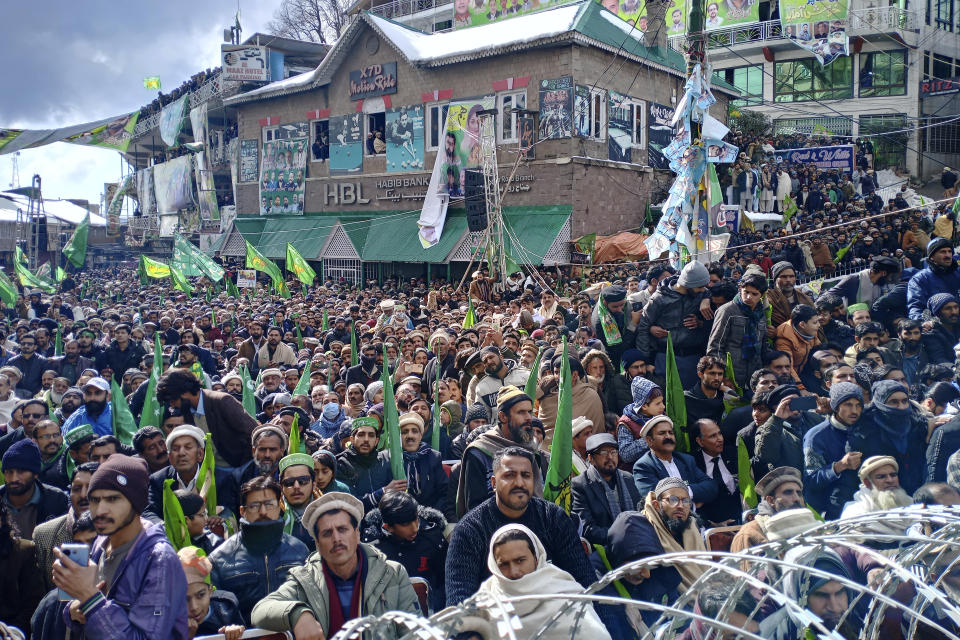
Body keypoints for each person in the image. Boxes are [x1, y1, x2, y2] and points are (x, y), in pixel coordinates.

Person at [52, 454, 189, 638]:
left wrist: (90, 598)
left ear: (136, 504)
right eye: (95, 500)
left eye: (113, 499)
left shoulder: (160, 560)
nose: (100, 510)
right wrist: (74, 610)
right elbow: (88, 610)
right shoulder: (101, 542)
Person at [250, 492, 421, 638]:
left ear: (357, 534)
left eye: (342, 529)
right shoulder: (306, 579)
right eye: (327, 533)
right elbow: (260, 610)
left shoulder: (392, 573)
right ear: (317, 543)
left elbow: (415, 633)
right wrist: (298, 614)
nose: (336, 539)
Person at [446, 446, 595, 605]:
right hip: (495, 621)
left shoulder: (553, 518)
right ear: (494, 483)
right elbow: (459, 600)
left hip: (554, 618)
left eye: (526, 475)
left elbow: (586, 582)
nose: (519, 483)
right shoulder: (470, 529)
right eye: (509, 475)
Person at [476, 524, 612, 639]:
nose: (514, 571)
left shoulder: (565, 595)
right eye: (504, 564)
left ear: (536, 558)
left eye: (520, 561)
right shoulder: (485, 602)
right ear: (494, 566)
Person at [209, 475, 309, 625]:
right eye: (255, 505)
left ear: (279, 506)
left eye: (269, 504)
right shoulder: (220, 558)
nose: (263, 511)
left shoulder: (299, 551)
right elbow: (214, 609)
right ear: (242, 511)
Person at [456, 385, 548, 517]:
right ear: (503, 417)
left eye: (529, 412)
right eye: (521, 412)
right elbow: (475, 509)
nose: (529, 418)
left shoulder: (532, 450)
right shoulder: (479, 451)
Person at [360, 491, 448, 613]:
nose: (414, 528)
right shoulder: (373, 548)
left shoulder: (432, 538)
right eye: (406, 524)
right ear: (387, 527)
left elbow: (445, 580)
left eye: (416, 519)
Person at [155, 367, 258, 469]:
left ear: (185, 391)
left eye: (173, 400)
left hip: (238, 468)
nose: (172, 405)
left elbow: (254, 432)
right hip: (211, 471)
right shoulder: (186, 411)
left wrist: (245, 467)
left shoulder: (221, 401)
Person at [637, 261, 710, 389]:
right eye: (700, 287)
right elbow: (643, 327)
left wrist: (706, 299)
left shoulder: (701, 294)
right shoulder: (659, 299)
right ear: (687, 284)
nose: (703, 290)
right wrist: (645, 362)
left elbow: (718, 289)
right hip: (665, 359)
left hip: (694, 359)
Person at [848, 380, 928, 495]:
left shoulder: (919, 426)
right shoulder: (862, 432)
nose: (901, 407)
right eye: (893, 402)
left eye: (904, 401)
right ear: (880, 403)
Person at [32, 461, 97, 592]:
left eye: (91, 488)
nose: (84, 495)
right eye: (77, 489)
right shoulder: (44, 534)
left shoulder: (120, 533)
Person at [802, 382, 863, 519]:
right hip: (828, 513)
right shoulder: (816, 436)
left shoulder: (866, 429)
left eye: (858, 405)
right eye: (848, 404)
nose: (854, 411)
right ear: (836, 406)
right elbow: (811, 480)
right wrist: (839, 466)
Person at [571, 432, 642, 546]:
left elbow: (640, 512)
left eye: (613, 452)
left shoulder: (627, 478)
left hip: (636, 541)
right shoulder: (580, 485)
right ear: (591, 458)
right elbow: (587, 529)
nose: (610, 457)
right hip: (605, 547)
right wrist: (620, 536)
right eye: (604, 452)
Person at [641, 477, 707, 592]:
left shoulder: (692, 527)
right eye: (673, 500)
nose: (680, 506)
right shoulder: (646, 530)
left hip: (706, 593)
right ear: (656, 505)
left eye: (686, 501)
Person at [633, 414, 717, 504]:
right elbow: (658, 500)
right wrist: (691, 502)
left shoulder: (686, 460)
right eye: (662, 433)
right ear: (649, 440)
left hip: (697, 517)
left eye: (671, 433)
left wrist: (684, 491)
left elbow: (711, 487)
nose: (668, 437)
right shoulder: (643, 466)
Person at [707, 273, 770, 390]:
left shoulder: (761, 313)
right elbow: (715, 347)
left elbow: (763, 345)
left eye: (754, 294)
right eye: (746, 292)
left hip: (754, 376)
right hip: (731, 377)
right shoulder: (727, 311)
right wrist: (722, 377)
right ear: (740, 289)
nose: (749, 297)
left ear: (761, 295)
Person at [1, 438, 69, 539]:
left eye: (21, 471)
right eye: (9, 472)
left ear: (35, 474)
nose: (14, 478)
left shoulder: (57, 499)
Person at [731, 466, 806, 552]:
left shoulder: (812, 529)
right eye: (788, 492)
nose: (797, 498)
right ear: (771, 500)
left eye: (799, 493)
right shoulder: (749, 534)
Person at [178, 546, 245, 639]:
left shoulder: (227, 607)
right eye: (185, 599)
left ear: (210, 590)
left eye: (200, 595)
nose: (194, 607)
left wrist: (235, 633)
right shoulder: (171, 621)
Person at [691, 418, 740, 526]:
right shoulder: (693, 463)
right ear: (700, 441)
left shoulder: (734, 454)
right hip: (715, 526)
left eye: (719, 434)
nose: (720, 439)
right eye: (713, 436)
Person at [840, 455, 913, 520]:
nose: (890, 480)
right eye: (881, 477)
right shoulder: (855, 512)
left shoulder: (912, 505)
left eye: (893, 475)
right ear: (867, 483)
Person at [617, 376, 664, 470]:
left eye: (662, 402)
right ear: (644, 406)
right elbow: (625, 454)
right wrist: (649, 439)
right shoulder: (626, 424)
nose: (663, 406)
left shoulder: (661, 416)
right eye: (657, 404)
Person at [907, 238, 960, 320]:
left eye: (949, 251)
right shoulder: (920, 279)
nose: (948, 255)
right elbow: (915, 306)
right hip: (937, 327)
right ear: (932, 257)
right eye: (943, 252)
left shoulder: (958, 273)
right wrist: (925, 323)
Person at [279, 452, 321, 547]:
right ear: (281, 487)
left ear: (314, 484)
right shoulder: (274, 515)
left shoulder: (328, 512)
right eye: (289, 482)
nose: (296, 486)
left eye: (303, 481)